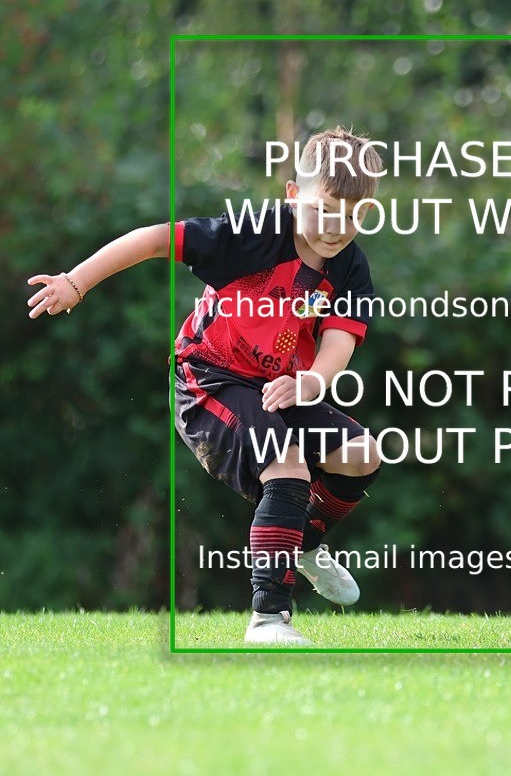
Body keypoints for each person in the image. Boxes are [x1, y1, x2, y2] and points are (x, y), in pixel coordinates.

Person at [27, 127, 384, 646]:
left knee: (362, 455)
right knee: (285, 464)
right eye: (323, 210)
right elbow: (154, 239)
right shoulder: (252, 234)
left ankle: (304, 543)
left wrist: (310, 382)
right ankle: (268, 620)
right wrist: (75, 282)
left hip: (277, 387)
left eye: (350, 217)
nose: (335, 228)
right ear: (292, 195)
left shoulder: (350, 266)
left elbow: (339, 340)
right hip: (208, 380)